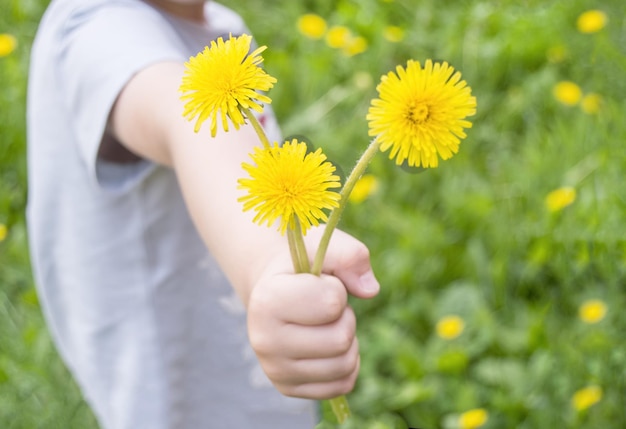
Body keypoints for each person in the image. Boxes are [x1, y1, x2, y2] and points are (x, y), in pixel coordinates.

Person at [26, 0, 380, 428]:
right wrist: (269, 257)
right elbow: (185, 119)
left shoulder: (219, 27)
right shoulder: (98, 32)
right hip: (178, 388)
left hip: (258, 357)